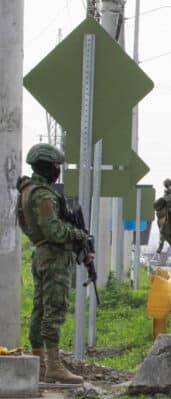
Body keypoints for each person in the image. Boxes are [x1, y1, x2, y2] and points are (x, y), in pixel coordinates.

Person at [16, 143, 91, 385]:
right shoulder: (44, 194)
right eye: (56, 166)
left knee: (40, 308)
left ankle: (38, 362)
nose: (58, 170)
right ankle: (53, 365)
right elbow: (55, 230)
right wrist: (79, 235)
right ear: (47, 166)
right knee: (54, 309)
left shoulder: (28, 190)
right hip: (53, 256)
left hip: (41, 253)